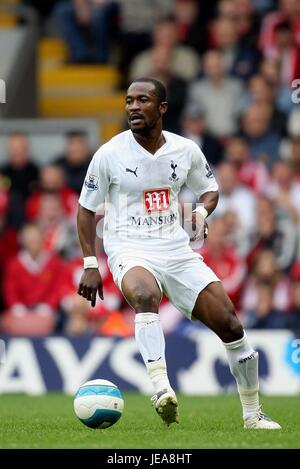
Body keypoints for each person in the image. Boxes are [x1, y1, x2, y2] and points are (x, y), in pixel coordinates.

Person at [77, 78, 281, 429]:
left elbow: (210, 190)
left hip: (175, 248)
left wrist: (201, 214)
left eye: (143, 100)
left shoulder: (185, 150)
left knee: (231, 326)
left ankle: (252, 415)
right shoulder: (109, 154)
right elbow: (85, 210)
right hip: (129, 246)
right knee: (144, 295)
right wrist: (90, 263)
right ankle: (161, 389)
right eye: (129, 101)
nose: (133, 108)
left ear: (162, 108)